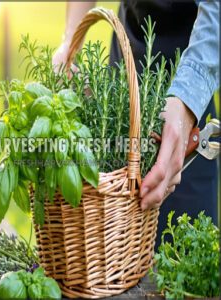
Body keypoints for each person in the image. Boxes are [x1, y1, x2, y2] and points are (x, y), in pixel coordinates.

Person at [52, 1, 219, 245]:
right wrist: (70, 42)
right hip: (128, 58)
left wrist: (187, 99)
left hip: (191, 73)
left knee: (187, 248)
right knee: (111, 243)